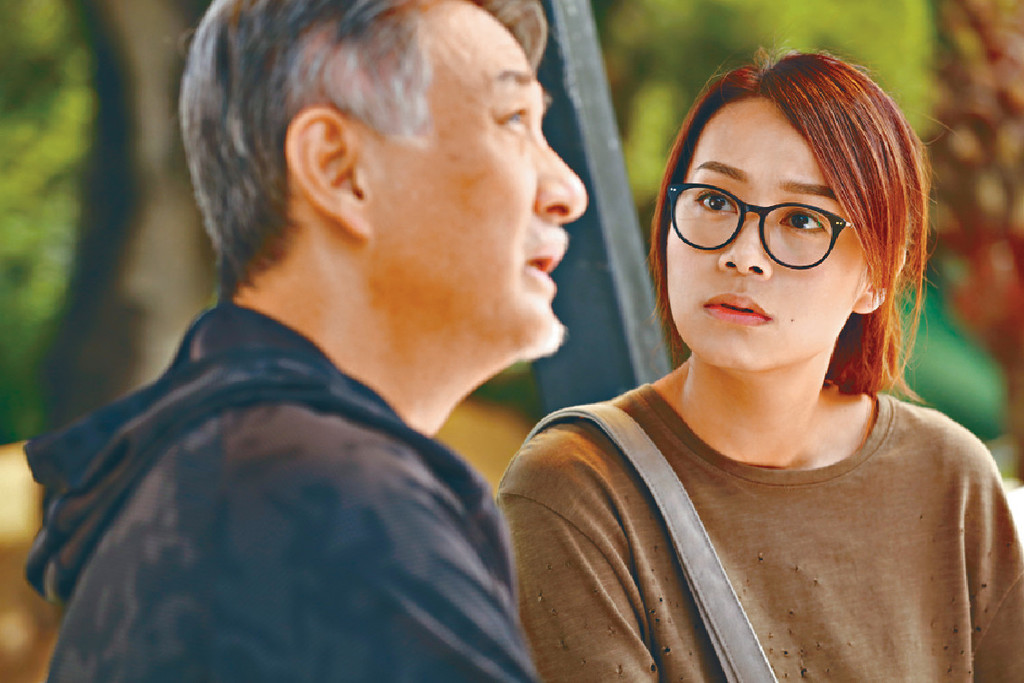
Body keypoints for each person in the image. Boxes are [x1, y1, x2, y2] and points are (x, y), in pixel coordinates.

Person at [25, 0, 587, 680]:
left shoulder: (188, 486)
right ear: (340, 169)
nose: (568, 191)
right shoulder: (335, 504)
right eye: (514, 120)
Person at [498, 50, 1024, 681]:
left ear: (878, 276)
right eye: (715, 201)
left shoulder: (949, 478)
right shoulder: (577, 488)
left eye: (802, 219)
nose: (743, 255)